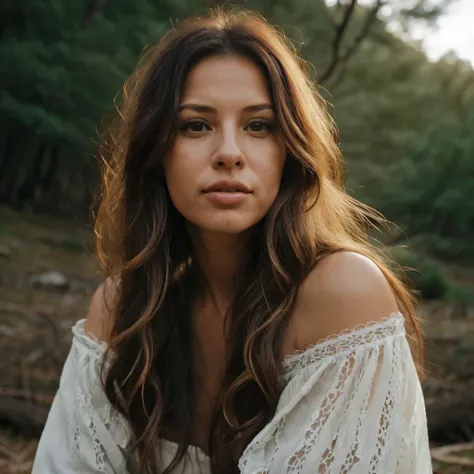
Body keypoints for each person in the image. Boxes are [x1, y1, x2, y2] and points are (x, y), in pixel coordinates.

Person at [32, 8, 432, 474]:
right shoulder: (125, 308)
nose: (228, 153)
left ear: (291, 151)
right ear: (156, 151)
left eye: (258, 126)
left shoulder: (342, 292)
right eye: (196, 125)